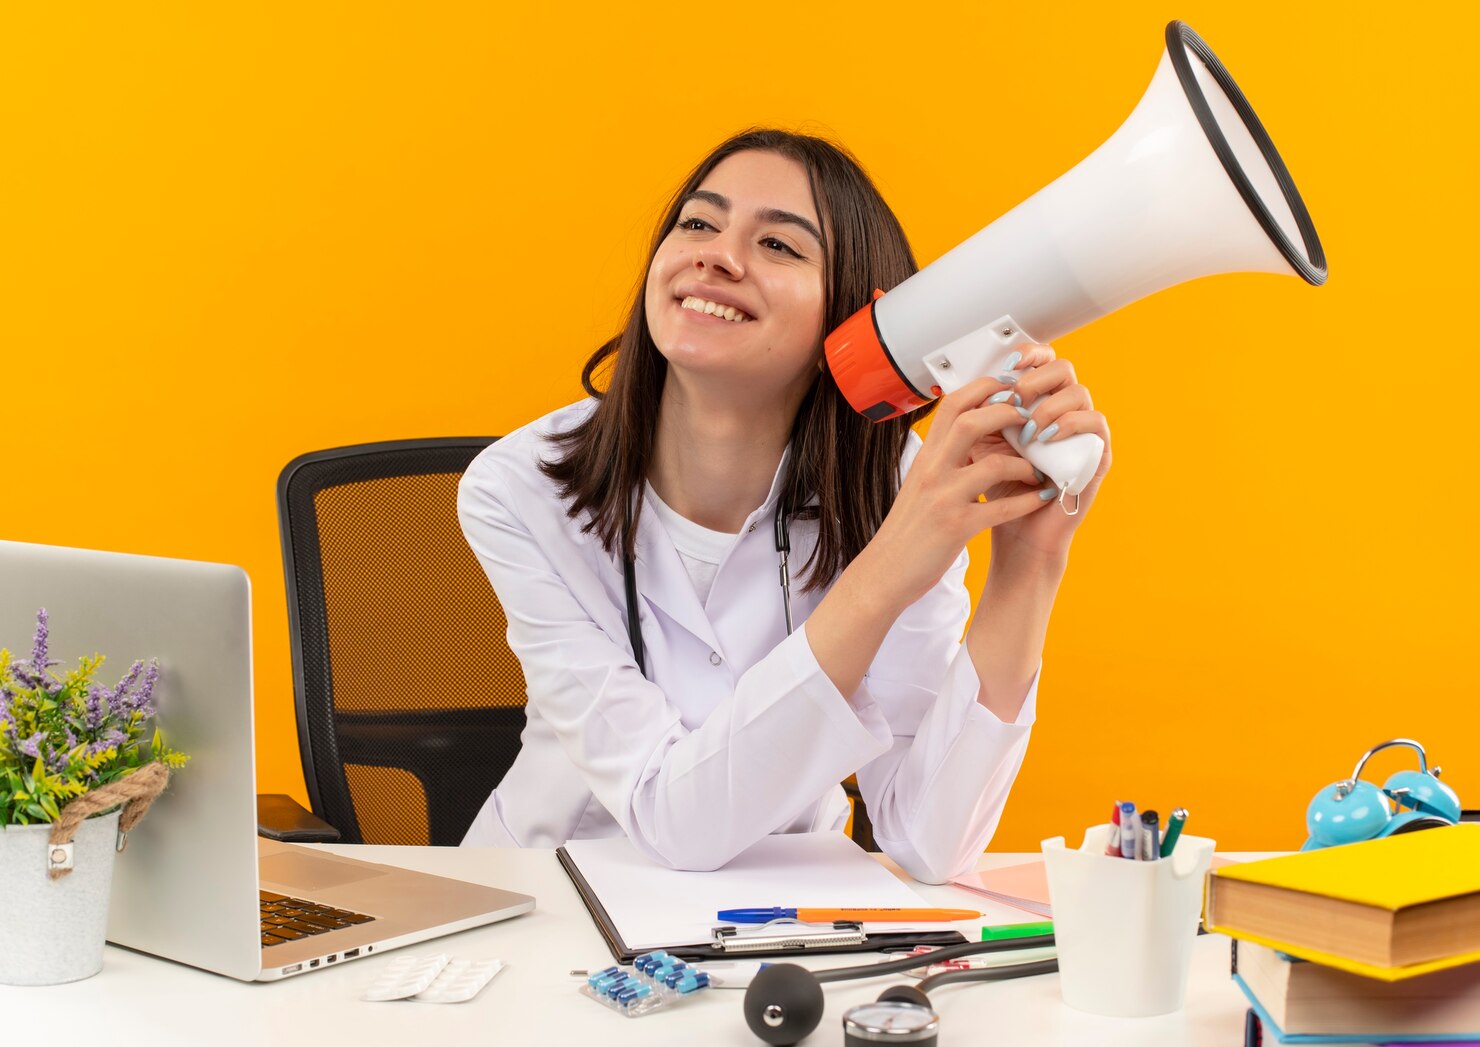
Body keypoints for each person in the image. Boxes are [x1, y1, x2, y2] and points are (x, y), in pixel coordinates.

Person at [457, 128, 1111, 883]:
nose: (716, 255)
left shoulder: (904, 487)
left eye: (778, 244)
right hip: (546, 896)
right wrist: (889, 565)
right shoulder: (518, 488)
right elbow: (674, 821)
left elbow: (929, 839)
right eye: (698, 223)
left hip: (782, 903)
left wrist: (1030, 563)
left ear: (857, 322)